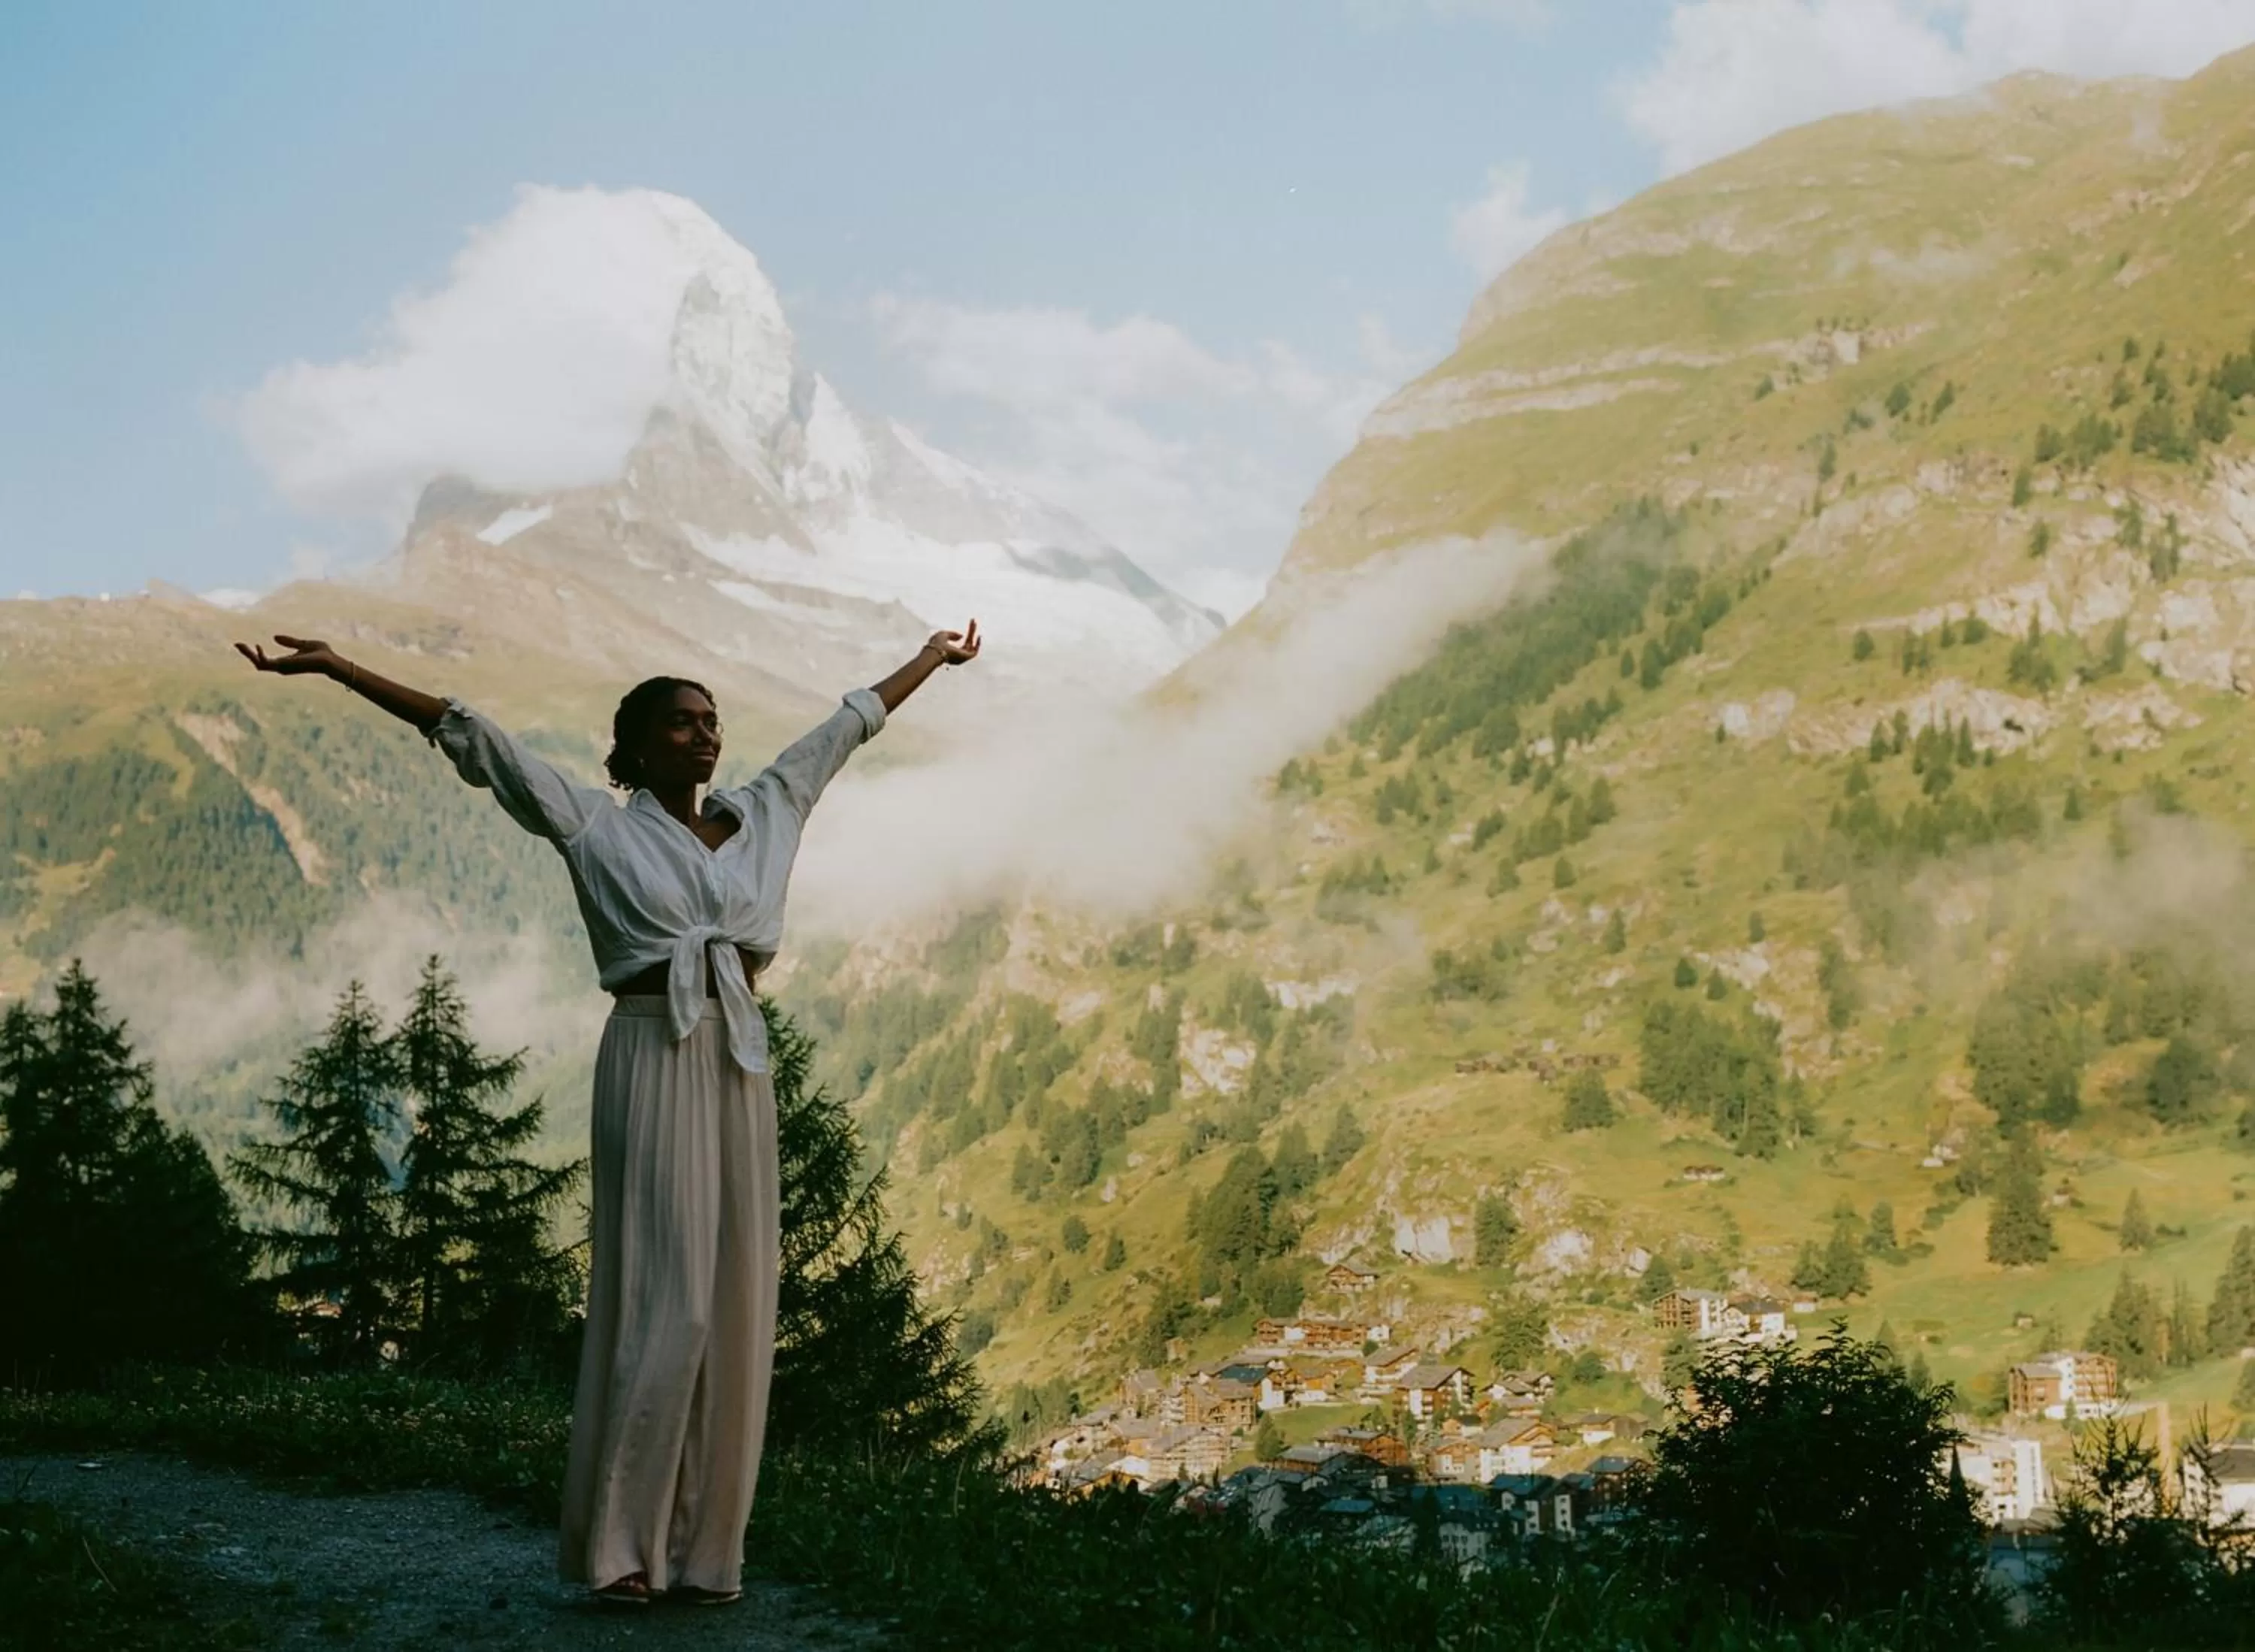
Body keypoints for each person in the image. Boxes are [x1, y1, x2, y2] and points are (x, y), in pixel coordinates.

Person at [235, 622, 981, 1606]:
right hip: (650, 1046)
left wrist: (931, 656)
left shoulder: (770, 808)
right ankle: (622, 1546)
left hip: (739, 1057)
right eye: (679, 724)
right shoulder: (597, 824)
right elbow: (474, 737)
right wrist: (338, 669)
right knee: (666, 1294)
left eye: (710, 721)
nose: (703, 736)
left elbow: (849, 725)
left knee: (734, 1300)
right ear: (633, 748)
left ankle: (707, 1550)